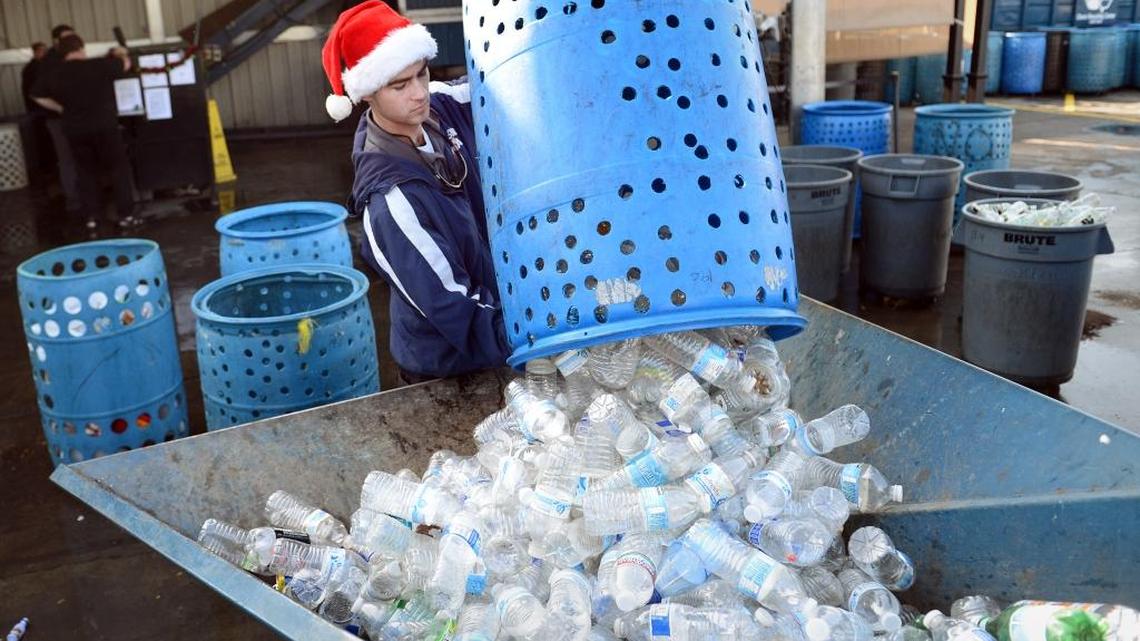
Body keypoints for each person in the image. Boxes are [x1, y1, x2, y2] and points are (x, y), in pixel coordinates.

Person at [322, 1, 510, 384]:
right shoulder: (391, 202)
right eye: (400, 85)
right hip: (449, 370)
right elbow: (453, 306)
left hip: (500, 333)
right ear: (367, 93)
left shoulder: (436, 106)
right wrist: (538, 338)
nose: (419, 93)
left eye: (421, 74)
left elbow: (501, 81)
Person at [34, 35, 138, 230]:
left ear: (62, 53)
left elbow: (36, 94)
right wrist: (121, 52)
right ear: (82, 48)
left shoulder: (55, 73)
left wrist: (60, 108)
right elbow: (125, 64)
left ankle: (92, 217)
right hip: (105, 127)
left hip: (75, 130)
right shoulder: (99, 65)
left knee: (85, 172)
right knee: (117, 169)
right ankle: (126, 215)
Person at [30, 25, 81, 214]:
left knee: (79, 157)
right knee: (67, 158)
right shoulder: (49, 62)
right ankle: (74, 200)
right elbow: (36, 92)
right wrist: (61, 108)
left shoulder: (67, 59)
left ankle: (85, 196)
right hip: (58, 119)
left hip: (77, 117)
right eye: (67, 38)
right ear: (56, 41)